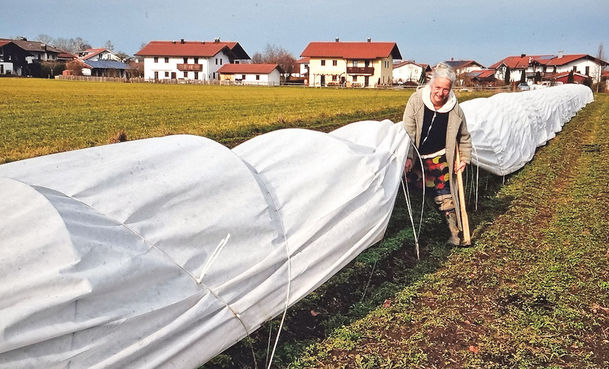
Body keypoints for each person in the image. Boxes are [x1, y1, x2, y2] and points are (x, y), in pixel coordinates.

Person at [402, 63, 472, 246]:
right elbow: (407, 132)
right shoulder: (416, 101)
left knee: (444, 195)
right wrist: (408, 157)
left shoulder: (454, 109)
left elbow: (464, 137)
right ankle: (412, 229)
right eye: (437, 88)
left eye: (445, 89)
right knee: (408, 189)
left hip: (439, 157)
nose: (440, 93)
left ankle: (454, 233)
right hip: (416, 155)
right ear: (430, 85)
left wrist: (464, 159)